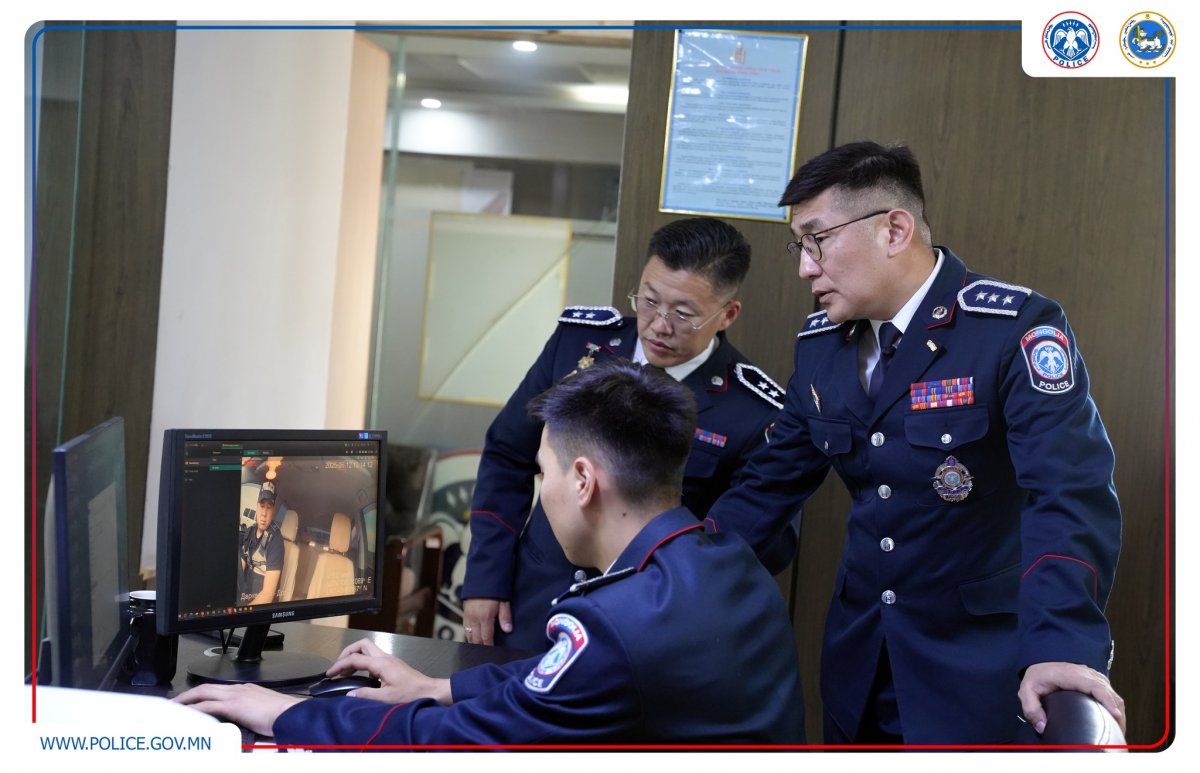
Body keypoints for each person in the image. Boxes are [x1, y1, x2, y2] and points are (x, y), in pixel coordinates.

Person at [706, 141, 1125, 745]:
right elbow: (768, 486)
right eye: (799, 246)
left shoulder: (1011, 330)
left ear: (894, 230)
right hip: (860, 659)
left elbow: (1069, 494)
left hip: (977, 664)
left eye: (817, 240)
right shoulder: (821, 345)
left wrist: (1063, 643)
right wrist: (661, 573)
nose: (805, 268)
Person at [174, 361, 807, 746]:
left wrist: (287, 715)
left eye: (543, 473)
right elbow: (553, 678)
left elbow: (459, 742)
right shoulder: (726, 561)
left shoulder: (617, 622)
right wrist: (440, 686)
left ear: (583, 481)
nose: (542, 490)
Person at [462, 216, 795, 649]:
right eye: (649, 301)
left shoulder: (751, 411)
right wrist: (485, 579)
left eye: (683, 314)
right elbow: (507, 453)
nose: (659, 325)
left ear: (727, 314)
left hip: (646, 627)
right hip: (532, 602)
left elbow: (754, 539)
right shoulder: (577, 346)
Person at [237, 480, 283, 606]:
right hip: (244, 597)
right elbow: (240, 569)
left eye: (269, 507)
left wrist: (243, 612)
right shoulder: (250, 531)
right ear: (257, 506)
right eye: (262, 506)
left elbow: (267, 595)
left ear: (273, 511)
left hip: (260, 606)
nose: (264, 513)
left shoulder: (276, 541)